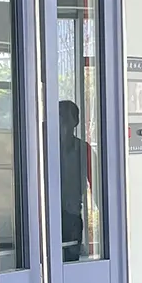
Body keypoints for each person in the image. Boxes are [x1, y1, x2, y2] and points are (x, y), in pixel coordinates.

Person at [58, 99, 96, 262]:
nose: (62, 122)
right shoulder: (42, 147)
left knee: (70, 262)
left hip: (71, 216)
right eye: (59, 117)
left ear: (75, 122)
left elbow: (97, 185)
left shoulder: (83, 149)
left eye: (66, 117)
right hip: (44, 215)